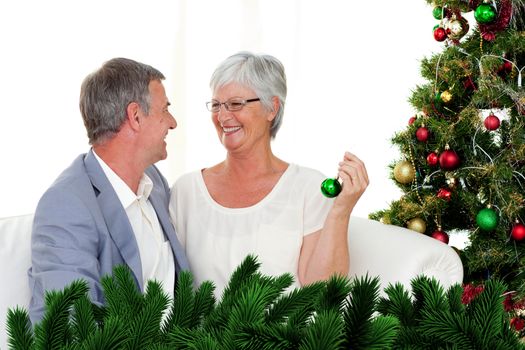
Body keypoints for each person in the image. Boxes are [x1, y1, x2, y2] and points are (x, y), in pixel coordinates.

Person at [169, 51, 368, 297]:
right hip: (204, 336)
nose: (222, 116)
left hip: (285, 335)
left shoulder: (308, 187)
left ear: (271, 109)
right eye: (217, 105)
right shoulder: (186, 191)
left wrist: (341, 209)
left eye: (235, 104)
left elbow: (323, 288)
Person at [28, 58, 189, 323]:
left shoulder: (153, 181)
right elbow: (75, 325)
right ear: (135, 116)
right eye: (165, 110)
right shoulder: (65, 206)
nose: (172, 123)